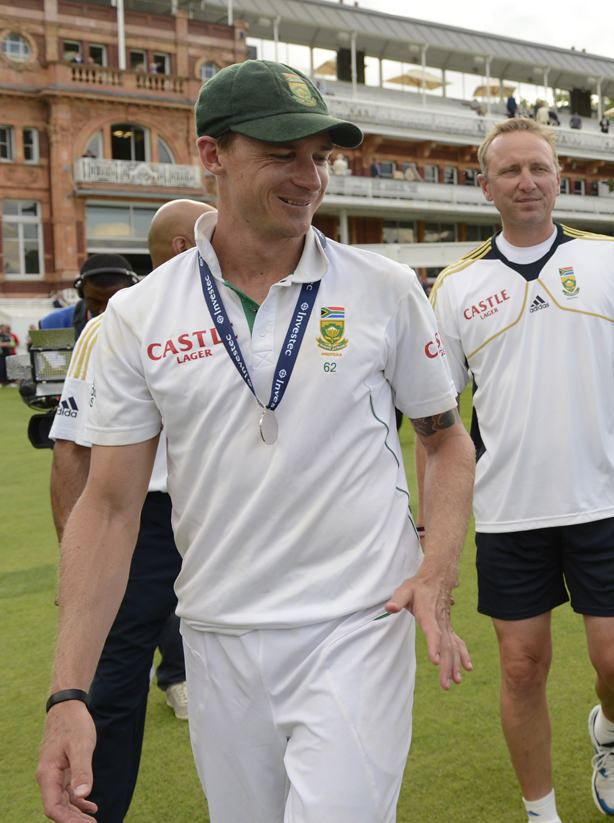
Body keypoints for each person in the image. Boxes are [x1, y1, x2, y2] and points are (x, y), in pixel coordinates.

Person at [35, 60, 476, 823]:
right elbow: (108, 509)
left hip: (356, 624)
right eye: (283, 154)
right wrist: (69, 690)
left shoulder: (383, 289)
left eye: (320, 157)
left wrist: (435, 567)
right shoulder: (142, 315)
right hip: (216, 635)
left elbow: (446, 442)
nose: (309, 177)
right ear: (212, 155)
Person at [427, 116, 614, 823]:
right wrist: (428, 528)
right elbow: (437, 427)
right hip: (509, 514)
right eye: (510, 170)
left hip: (605, 501)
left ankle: (610, 730)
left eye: (539, 167)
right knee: (520, 667)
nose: (526, 180)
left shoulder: (610, 261)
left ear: (560, 178)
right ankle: (543, 813)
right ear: (485, 187)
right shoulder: (455, 286)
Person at [44, 201, 212, 822]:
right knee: (112, 689)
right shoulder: (117, 323)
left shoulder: (248, 310)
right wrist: (74, 560)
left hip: (223, 523)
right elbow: (71, 450)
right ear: (178, 247)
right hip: (139, 529)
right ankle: (96, 812)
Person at [38, 255, 141, 333]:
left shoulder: (149, 325)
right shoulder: (55, 325)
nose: (103, 312)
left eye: (114, 303)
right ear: (81, 293)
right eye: (95, 302)